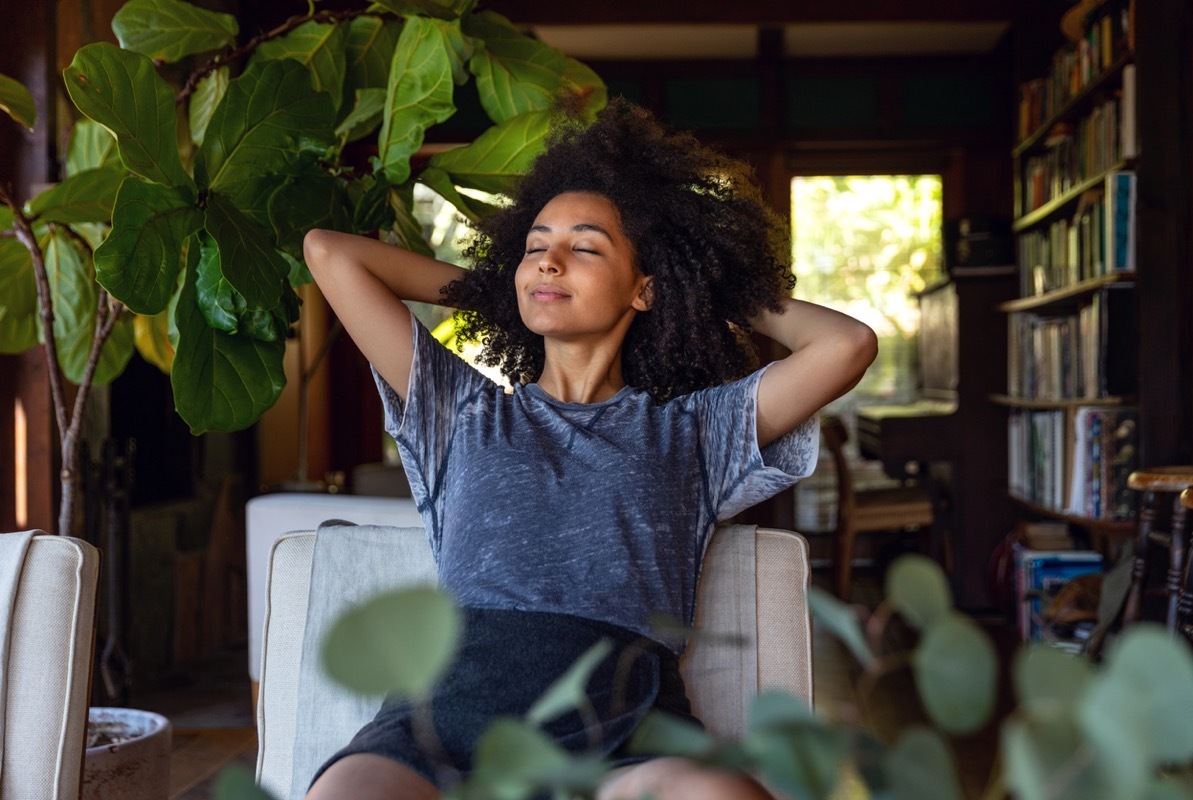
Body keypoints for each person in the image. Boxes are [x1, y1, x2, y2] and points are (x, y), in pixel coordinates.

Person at [302, 99, 877, 800]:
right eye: (534, 245)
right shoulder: (461, 411)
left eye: (585, 247)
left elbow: (847, 345)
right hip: (443, 721)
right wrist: (500, 290)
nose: (548, 259)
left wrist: (701, 287)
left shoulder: (695, 431)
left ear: (644, 288)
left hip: (622, 731)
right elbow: (329, 253)